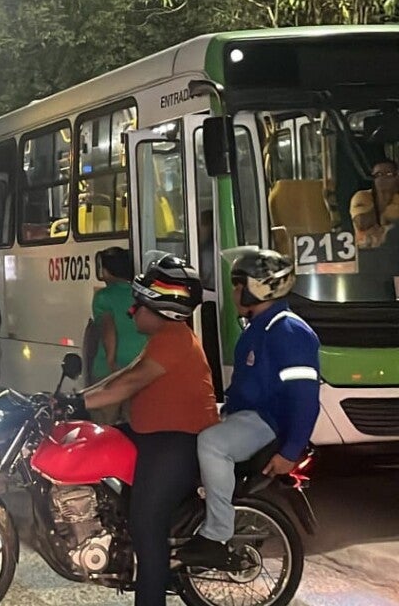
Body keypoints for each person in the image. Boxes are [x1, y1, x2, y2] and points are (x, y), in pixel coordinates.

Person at [70, 253, 218, 606]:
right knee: (99, 446)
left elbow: (129, 384)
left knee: (146, 524)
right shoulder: (164, 338)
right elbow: (121, 376)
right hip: (152, 433)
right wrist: (72, 398)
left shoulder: (174, 340)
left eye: (139, 306)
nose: (131, 312)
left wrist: (78, 405)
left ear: (162, 311)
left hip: (176, 442)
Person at [177, 248, 320, 567]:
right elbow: (245, 390)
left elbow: (305, 398)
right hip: (248, 415)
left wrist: (290, 451)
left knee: (212, 444)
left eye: (238, 284)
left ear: (260, 286)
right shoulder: (259, 329)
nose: (234, 291)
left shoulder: (289, 331)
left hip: (268, 422)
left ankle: (216, 535)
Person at [89, 246, 146, 423]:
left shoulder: (104, 296)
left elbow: (108, 329)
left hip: (110, 370)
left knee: (104, 425)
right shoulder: (141, 294)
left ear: (106, 271)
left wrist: (111, 360)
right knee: (134, 422)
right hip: (139, 369)